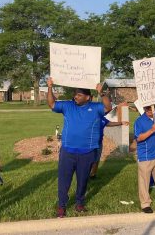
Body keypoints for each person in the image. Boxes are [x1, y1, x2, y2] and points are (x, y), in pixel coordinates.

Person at [47, 78, 111, 218]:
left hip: (87, 152)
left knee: (83, 180)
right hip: (68, 151)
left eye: (79, 94)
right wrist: (50, 87)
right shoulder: (68, 106)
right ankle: (61, 206)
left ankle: (79, 203)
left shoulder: (95, 107)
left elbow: (108, 108)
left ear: (88, 97)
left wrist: (102, 93)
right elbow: (52, 104)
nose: (75, 96)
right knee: (64, 180)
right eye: (75, 94)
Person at [89, 95, 129, 179]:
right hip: (88, 143)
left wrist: (121, 122)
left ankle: (93, 174)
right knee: (88, 160)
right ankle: (85, 173)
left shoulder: (101, 117)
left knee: (96, 159)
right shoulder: (90, 116)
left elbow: (108, 123)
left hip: (98, 143)